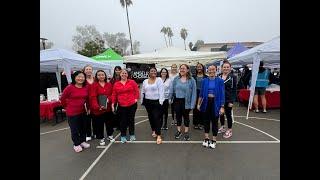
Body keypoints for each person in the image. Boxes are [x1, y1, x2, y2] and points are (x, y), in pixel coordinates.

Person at [60, 71, 90, 153]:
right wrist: (66, 107)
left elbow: (87, 99)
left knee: (83, 128)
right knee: (74, 129)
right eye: (78, 77)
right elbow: (62, 98)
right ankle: (76, 144)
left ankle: (82, 141)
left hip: (83, 111)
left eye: (82, 77)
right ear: (74, 77)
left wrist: (88, 108)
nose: (80, 78)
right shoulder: (70, 87)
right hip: (72, 113)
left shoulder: (86, 87)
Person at [197, 65, 225, 149]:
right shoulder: (204, 80)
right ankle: (206, 138)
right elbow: (201, 93)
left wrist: (222, 106)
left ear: (216, 70)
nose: (211, 71)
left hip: (215, 103)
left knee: (215, 122)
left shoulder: (220, 81)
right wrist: (198, 104)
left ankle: (214, 140)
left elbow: (222, 94)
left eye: (213, 69)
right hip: (206, 102)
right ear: (207, 71)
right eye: (209, 70)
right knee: (206, 121)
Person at [169, 64, 197, 141]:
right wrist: (170, 98)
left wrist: (192, 104)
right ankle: (179, 131)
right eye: (181, 68)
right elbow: (172, 89)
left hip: (186, 101)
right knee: (178, 116)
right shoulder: (176, 79)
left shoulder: (192, 80)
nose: (182, 70)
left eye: (184, 68)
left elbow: (194, 93)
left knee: (186, 117)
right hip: (177, 100)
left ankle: (186, 132)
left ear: (187, 70)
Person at [111, 69, 139, 143]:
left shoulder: (132, 82)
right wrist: (113, 103)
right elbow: (114, 94)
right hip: (122, 105)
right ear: (120, 74)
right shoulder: (116, 84)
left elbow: (136, 91)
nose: (124, 74)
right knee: (122, 121)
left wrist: (136, 99)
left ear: (127, 74)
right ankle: (123, 135)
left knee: (131, 120)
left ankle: (132, 134)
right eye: (122, 73)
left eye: (125, 73)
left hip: (132, 104)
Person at [89, 70, 115, 146]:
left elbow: (112, 94)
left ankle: (110, 135)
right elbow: (92, 97)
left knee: (109, 123)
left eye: (102, 75)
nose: (101, 76)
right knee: (99, 124)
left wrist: (109, 99)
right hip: (98, 110)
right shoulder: (94, 85)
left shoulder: (109, 84)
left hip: (108, 108)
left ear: (105, 75)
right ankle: (101, 138)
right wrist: (97, 107)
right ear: (96, 76)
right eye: (99, 75)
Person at [141, 67, 164, 144]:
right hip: (148, 102)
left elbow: (161, 91)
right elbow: (143, 92)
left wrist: (161, 101)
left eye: (154, 71)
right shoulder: (145, 81)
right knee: (150, 117)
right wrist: (142, 101)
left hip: (157, 102)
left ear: (156, 72)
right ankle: (153, 130)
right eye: (151, 71)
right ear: (149, 72)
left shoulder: (159, 80)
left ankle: (159, 135)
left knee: (156, 118)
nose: (153, 72)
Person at [218, 61, 237, 138]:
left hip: (228, 99)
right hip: (219, 99)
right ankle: (222, 126)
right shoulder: (218, 76)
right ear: (222, 68)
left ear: (230, 68)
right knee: (221, 114)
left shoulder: (233, 77)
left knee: (228, 115)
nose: (226, 68)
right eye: (224, 67)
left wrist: (232, 101)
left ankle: (229, 129)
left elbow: (234, 90)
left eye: (227, 67)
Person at [192, 63, 207, 130]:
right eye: (197, 67)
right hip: (196, 93)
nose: (199, 68)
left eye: (200, 67)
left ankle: (202, 123)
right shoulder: (193, 77)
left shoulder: (206, 77)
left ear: (202, 68)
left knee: (203, 109)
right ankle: (196, 123)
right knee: (195, 109)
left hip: (203, 93)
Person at [83, 65, 95, 141]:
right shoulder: (82, 80)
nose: (88, 70)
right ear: (84, 71)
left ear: (92, 70)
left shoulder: (95, 79)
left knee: (95, 119)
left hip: (95, 101)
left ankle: (95, 132)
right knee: (87, 119)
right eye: (87, 69)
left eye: (90, 69)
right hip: (86, 102)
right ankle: (88, 134)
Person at [110, 66, 122, 130]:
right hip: (114, 97)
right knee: (114, 112)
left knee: (120, 112)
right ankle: (115, 125)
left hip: (121, 97)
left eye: (118, 70)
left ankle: (121, 125)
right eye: (116, 70)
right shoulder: (112, 79)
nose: (117, 71)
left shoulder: (123, 78)